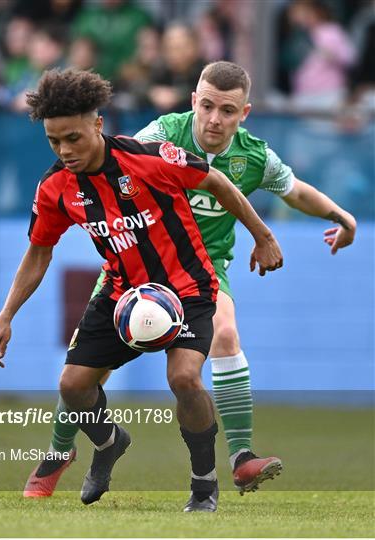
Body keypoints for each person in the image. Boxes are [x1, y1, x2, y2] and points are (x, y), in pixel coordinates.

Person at [23, 61, 357, 500]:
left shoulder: (255, 157)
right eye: (207, 106)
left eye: (228, 110)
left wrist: (341, 217)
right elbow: (113, 170)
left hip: (202, 268)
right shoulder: (161, 135)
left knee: (225, 333)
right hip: (135, 265)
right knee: (82, 372)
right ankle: (59, 451)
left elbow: (295, 191)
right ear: (193, 102)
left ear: (245, 113)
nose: (215, 118)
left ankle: (240, 458)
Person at [0, 68, 283, 512]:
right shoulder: (55, 188)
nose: (65, 150)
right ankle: (108, 442)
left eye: (74, 138)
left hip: (187, 288)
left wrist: (262, 236)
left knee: (184, 378)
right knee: (73, 385)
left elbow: (217, 182)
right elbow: (39, 252)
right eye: (54, 141)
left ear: (98, 124)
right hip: (122, 293)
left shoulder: (148, 158)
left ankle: (204, 484)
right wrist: (5, 316)